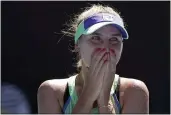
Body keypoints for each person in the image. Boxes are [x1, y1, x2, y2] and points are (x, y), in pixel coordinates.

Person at [37, 4, 149, 114]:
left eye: (114, 39)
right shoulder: (51, 91)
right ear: (77, 44)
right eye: (96, 38)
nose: (106, 47)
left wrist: (104, 99)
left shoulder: (135, 91)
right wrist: (89, 93)